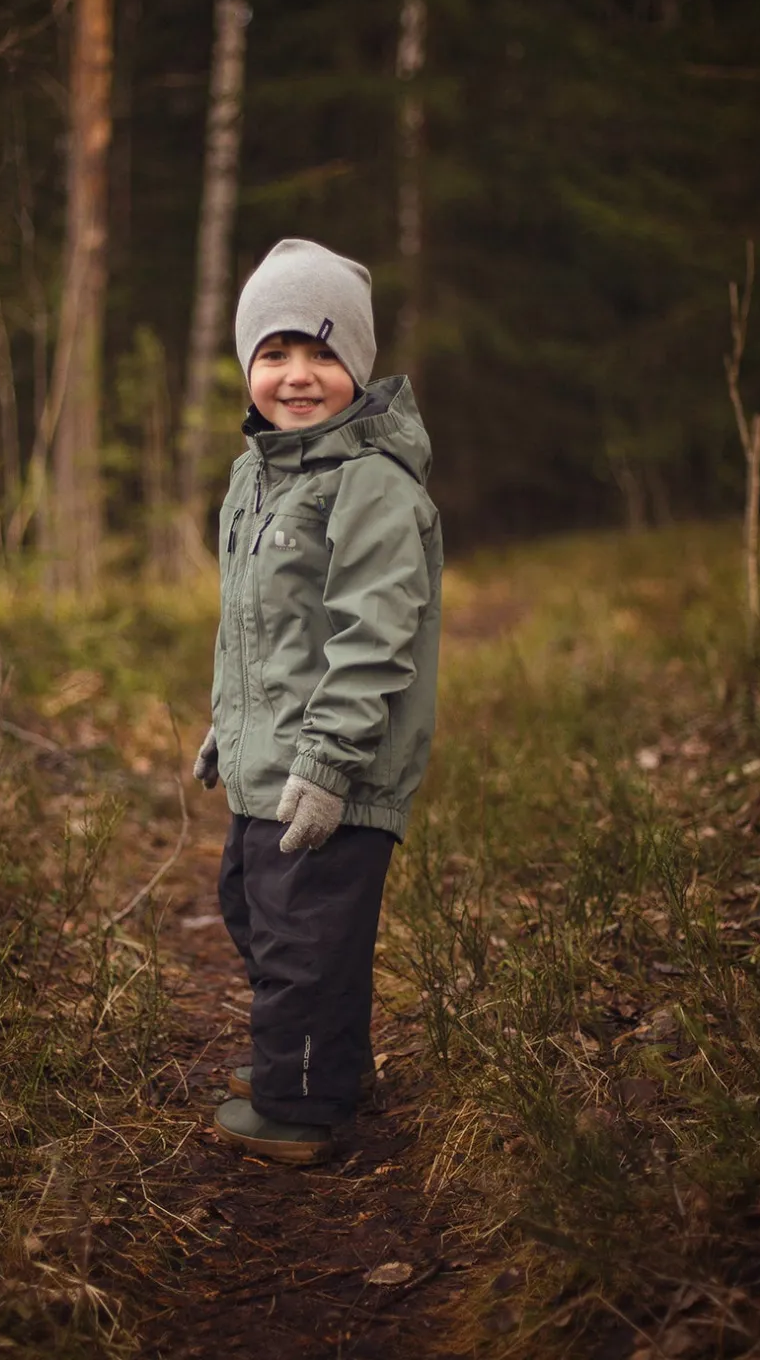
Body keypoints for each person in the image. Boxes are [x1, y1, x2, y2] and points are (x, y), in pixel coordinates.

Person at [192, 237, 443, 1165]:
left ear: (358, 367)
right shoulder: (260, 473)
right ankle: (320, 1062)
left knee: (303, 940)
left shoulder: (369, 484)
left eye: (323, 352)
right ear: (248, 365)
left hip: (334, 768)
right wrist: (228, 726)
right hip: (267, 761)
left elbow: (375, 636)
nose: (298, 374)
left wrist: (330, 762)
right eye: (276, 351)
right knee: (254, 910)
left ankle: (299, 1105)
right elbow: (256, 626)